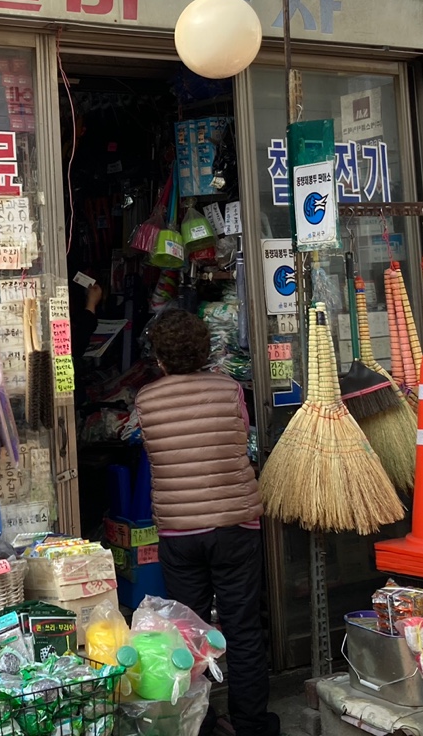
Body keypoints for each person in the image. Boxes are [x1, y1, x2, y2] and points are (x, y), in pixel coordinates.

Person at [134, 309, 278, 736]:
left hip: (179, 529)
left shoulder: (146, 400)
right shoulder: (229, 389)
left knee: (189, 633)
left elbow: (154, 451)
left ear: (160, 358)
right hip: (235, 524)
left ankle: (201, 723)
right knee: (243, 627)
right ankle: (252, 724)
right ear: (204, 351)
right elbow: (241, 436)